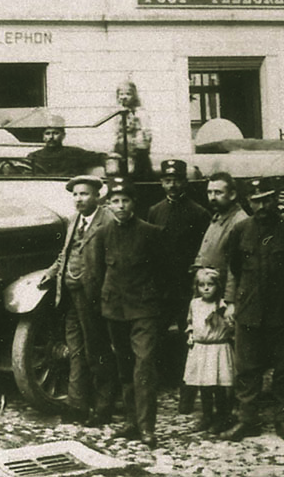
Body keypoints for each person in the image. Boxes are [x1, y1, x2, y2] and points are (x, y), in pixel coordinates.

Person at [91, 177, 165, 448]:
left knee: (143, 367)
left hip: (144, 310)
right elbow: (99, 272)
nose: (120, 206)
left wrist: (159, 309)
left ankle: (147, 427)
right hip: (114, 309)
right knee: (124, 368)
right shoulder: (102, 234)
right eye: (115, 201)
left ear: (134, 203)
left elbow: (163, 274)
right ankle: (132, 423)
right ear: (108, 204)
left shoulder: (150, 232)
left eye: (125, 201)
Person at [38, 175, 116, 427]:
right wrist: (51, 273)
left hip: (94, 297)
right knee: (76, 350)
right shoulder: (74, 221)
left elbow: (114, 259)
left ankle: (103, 407)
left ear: (98, 196)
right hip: (70, 295)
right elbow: (65, 254)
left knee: (98, 351)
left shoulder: (108, 220)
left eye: (84, 194)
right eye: (75, 195)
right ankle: (77, 404)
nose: (79, 199)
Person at [221, 177, 284, 441]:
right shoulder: (241, 230)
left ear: (275, 200)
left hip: (281, 311)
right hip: (250, 310)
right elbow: (234, 267)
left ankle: (282, 420)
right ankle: (247, 420)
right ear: (248, 202)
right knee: (246, 369)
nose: (262, 206)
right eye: (256, 201)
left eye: (267, 199)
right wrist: (234, 301)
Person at [146, 159, 211, 414]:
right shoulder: (154, 211)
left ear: (184, 182)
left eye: (176, 180)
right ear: (162, 183)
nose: (172, 185)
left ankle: (187, 396)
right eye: (167, 180)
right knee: (155, 337)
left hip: (187, 289)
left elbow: (203, 252)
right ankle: (160, 386)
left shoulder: (199, 213)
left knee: (190, 341)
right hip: (161, 288)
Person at [182, 268, 235, 435]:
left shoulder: (222, 305)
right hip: (201, 348)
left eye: (210, 285)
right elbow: (190, 321)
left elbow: (231, 326)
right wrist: (191, 334)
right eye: (202, 285)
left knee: (218, 384)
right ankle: (207, 416)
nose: (206, 288)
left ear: (217, 286)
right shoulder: (195, 304)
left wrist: (224, 318)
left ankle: (221, 417)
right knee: (203, 385)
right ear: (196, 287)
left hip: (217, 348)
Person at [192, 172, 249, 287]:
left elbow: (236, 268)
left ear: (232, 194)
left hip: (222, 294)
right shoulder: (217, 217)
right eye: (209, 192)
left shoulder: (240, 222)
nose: (212, 197)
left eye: (218, 193)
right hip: (208, 290)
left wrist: (229, 300)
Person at [26, 116, 106, 177]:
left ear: (63, 135)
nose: (51, 137)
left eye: (55, 133)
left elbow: (99, 157)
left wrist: (111, 159)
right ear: (43, 137)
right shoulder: (34, 156)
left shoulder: (74, 153)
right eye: (48, 133)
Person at [113, 81, 153, 180]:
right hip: (121, 148)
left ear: (134, 95)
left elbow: (146, 132)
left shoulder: (140, 113)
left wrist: (140, 142)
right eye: (121, 94)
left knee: (138, 172)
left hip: (136, 150)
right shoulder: (117, 112)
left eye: (128, 94)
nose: (124, 97)